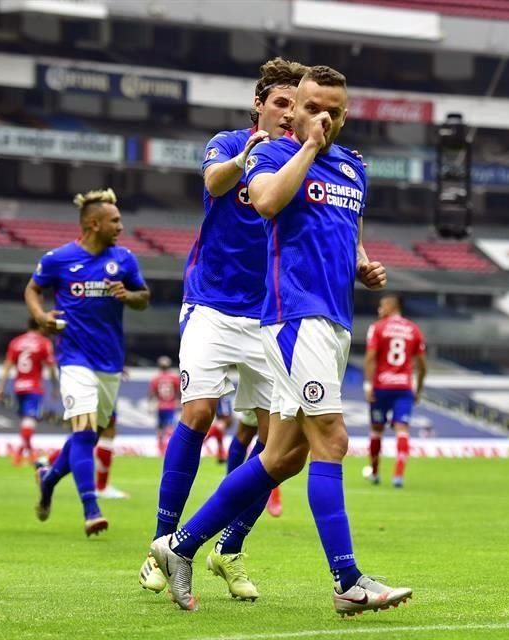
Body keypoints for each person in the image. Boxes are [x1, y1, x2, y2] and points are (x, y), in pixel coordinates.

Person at [149, 65, 412, 616]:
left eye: (333, 111)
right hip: (294, 317)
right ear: (294, 110)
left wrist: (363, 265)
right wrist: (308, 148)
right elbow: (266, 202)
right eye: (312, 107)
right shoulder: (270, 154)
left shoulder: (354, 169)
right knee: (332, 442)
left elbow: (348, 232)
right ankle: (348, 581)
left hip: (335, 319)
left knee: (284, 455)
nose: (321, 118)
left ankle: (180, 545)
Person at [139, 57, 308, 602]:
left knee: (279, 441)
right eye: (279, 103)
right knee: (199, 412)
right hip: (210, 303)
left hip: (269, 313)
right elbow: (214, 182)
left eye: (295, 105)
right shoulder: (229, 143)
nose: (287, 113)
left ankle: (227, 549)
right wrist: (244, 157)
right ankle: (160, 545)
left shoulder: (303, 161)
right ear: (259, 105)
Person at [26, 188, 150, 535]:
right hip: (73, 356)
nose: (121, 227)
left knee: (88, 437)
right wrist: (40, 316)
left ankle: (48, 480)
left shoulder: (124, 260)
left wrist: (130, 296)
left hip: (109, 360)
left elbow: (144, 298)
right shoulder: (58, 259)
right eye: (115, 221)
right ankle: (91, 510)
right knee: (82, 431)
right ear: (93, 224)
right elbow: (32, 289)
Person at [363, 293, 426, 488]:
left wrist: (368, 384)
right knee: (402, 429)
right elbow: (422, 364)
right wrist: (419, 387)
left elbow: (370, 357)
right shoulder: (413, 329)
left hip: (381, 386)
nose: (379, 310)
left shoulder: (378, 327)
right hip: (404, 386)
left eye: (382, 306)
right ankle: (398, 476)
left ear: (391, 306)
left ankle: (374, 473)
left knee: (376, 429)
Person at [0, 317, 58, 466]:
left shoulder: (16, 342)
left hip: (19, 387)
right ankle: (21, 455)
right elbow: (51, 367)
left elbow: (7, 366)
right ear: (41, 327)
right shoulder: (44, 343)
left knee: (26, 421)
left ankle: (26, 454)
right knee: (29, 421)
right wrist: (56, 386)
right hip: (34, 387)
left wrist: (0, 386)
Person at [149, 355, 181, 456]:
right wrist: (178, 401)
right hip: (170, 405)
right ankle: (169, 447)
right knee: (169, 427)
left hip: (160, 405)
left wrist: (151, 404)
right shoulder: (174, 378)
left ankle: (160, 447)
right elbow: (179, 391)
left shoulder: (155, 378)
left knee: (160, 427)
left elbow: (152, 394)